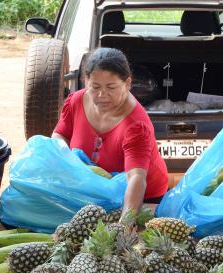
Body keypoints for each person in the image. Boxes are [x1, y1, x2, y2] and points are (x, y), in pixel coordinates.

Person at [52, 47, 168, 220]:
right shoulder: (76, 101)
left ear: (127, 84)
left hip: (142, 197)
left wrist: (126, 222)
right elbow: (60, 135)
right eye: (95, 86)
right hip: (95, 190)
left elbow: (135, 177)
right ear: (86, 81)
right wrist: (65, 161)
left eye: (111, 87)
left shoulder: (136, 125)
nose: (101, 95)